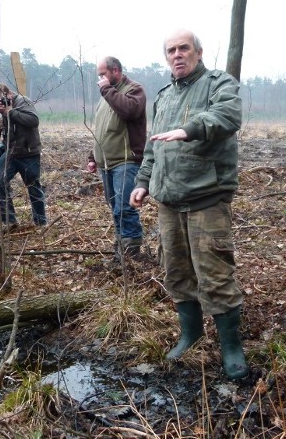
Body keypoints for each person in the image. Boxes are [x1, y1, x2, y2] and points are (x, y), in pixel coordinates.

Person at [130, 30, 247, 381]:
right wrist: (142, 183)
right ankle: (190, 334)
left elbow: (228, 116)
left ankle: (231, 347)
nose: (177, 55)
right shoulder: (163, 96)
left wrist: (190, 129)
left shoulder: (219, 83)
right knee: (176, 271)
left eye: (184, 48)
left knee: (215, 273)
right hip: (169, 201)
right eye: (171, 51)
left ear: (198, 51)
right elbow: (152, 149)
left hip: (206, 198)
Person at [87, 57, 147, 259]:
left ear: (116, 71)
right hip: (106, 163)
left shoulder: (133, 90)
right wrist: (92, 156)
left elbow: (129, 111)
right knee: (115, 209)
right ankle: (121, 249)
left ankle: (131, 255)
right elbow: (101, 129)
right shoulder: (106, 96)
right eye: (99, 75)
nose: (100, 78)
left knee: (124, 208)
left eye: (103, 74)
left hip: (126, 160)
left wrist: (106, 90)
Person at [0, 83, 46, 230]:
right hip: (11, 152)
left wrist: (10, 112)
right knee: (0, 182)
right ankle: (9, 221)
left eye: (3, 99)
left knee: (33, 187)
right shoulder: (0, 107)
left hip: (28, 152)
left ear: (10, 94)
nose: (2, 102)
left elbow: (34, 121)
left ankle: (41, 222)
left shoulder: (23, 101)